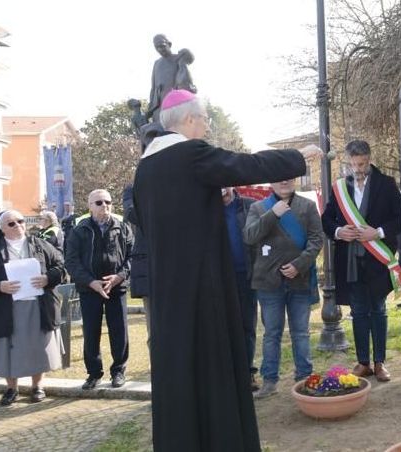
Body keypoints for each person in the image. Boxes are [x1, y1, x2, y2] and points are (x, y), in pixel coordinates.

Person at [131, 89, 315, 452]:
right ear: (187, 120)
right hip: (203, 285)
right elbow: (244, 164)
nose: (205, 127)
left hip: (169, 290)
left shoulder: (145, 168)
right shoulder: (189, 153)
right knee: (212, 367)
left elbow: (151, 219)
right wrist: (296, 158)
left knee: (180, 369)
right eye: (203, 120)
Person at [322, 140, 401, 383]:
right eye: (354, 164)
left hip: (377, 260)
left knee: (378, 310)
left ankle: (380, 363)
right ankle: (363, 362)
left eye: (363, 163)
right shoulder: (339, 189)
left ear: (369, 158)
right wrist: (338, 232)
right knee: (358, 312)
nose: (358, 168)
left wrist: (377, 232)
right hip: (350, 261)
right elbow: (327, 220)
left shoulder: (386, 184)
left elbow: (399, 219)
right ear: (348, 161)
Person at [244, 179, 323, 398]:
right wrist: (273, 214)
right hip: (268, 284)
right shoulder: (258, 207)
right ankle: (269, 381)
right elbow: (249, 236)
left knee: (300, 333)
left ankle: (305, 379)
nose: (285, 182)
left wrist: (299, 265)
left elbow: (316, 240)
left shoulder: (307, 207)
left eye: (289, 177)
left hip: (300, 279)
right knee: (272, 334)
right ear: (272, 183)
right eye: (279, 178)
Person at [0, 210, 66, 405]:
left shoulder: (40, 245)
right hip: (5, 307)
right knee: (8, 348)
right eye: (11, 223)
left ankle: (37, 386)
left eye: (20, 221)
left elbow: (61, 267)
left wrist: (48, 278)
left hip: (36, 305)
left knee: (37, 346)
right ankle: (11, 388)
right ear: (2, 228)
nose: (18, 226)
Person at [64, 189, 133, 390]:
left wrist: (120, 276)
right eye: (99, 202)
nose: (105, 206)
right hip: (90, 288)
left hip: (116, 287)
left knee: (119, 331)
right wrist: (91, 282)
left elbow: (133, 256)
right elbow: (71, 262)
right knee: (91, 331)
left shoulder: (122, 227)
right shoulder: (80, 230)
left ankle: (118, 371)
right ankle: (94, 373)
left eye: (108, 202)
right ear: (90, 206)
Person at [222, 186, 262, 391]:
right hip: (220, 280)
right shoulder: (207, 209)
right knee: (224, 328)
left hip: (246, 276)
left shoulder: (249, 206)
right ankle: (228, 375)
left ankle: (248, 373)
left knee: (247, 326)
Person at [122, 185, 151, 353]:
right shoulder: (133, 191)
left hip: (176, 269)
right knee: (154, 331)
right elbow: (133, 213)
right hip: (149, 271)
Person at [146, 34, 196, 123]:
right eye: (157, 47)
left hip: (176, 101)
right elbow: (153, 87)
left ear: (169, 44)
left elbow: (190, 59)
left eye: (162, 46)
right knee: (160, 129)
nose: (160, 49)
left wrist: (187, 52)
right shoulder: (157, 63)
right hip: (159, 103)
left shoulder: (179, 58)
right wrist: (151, 107)